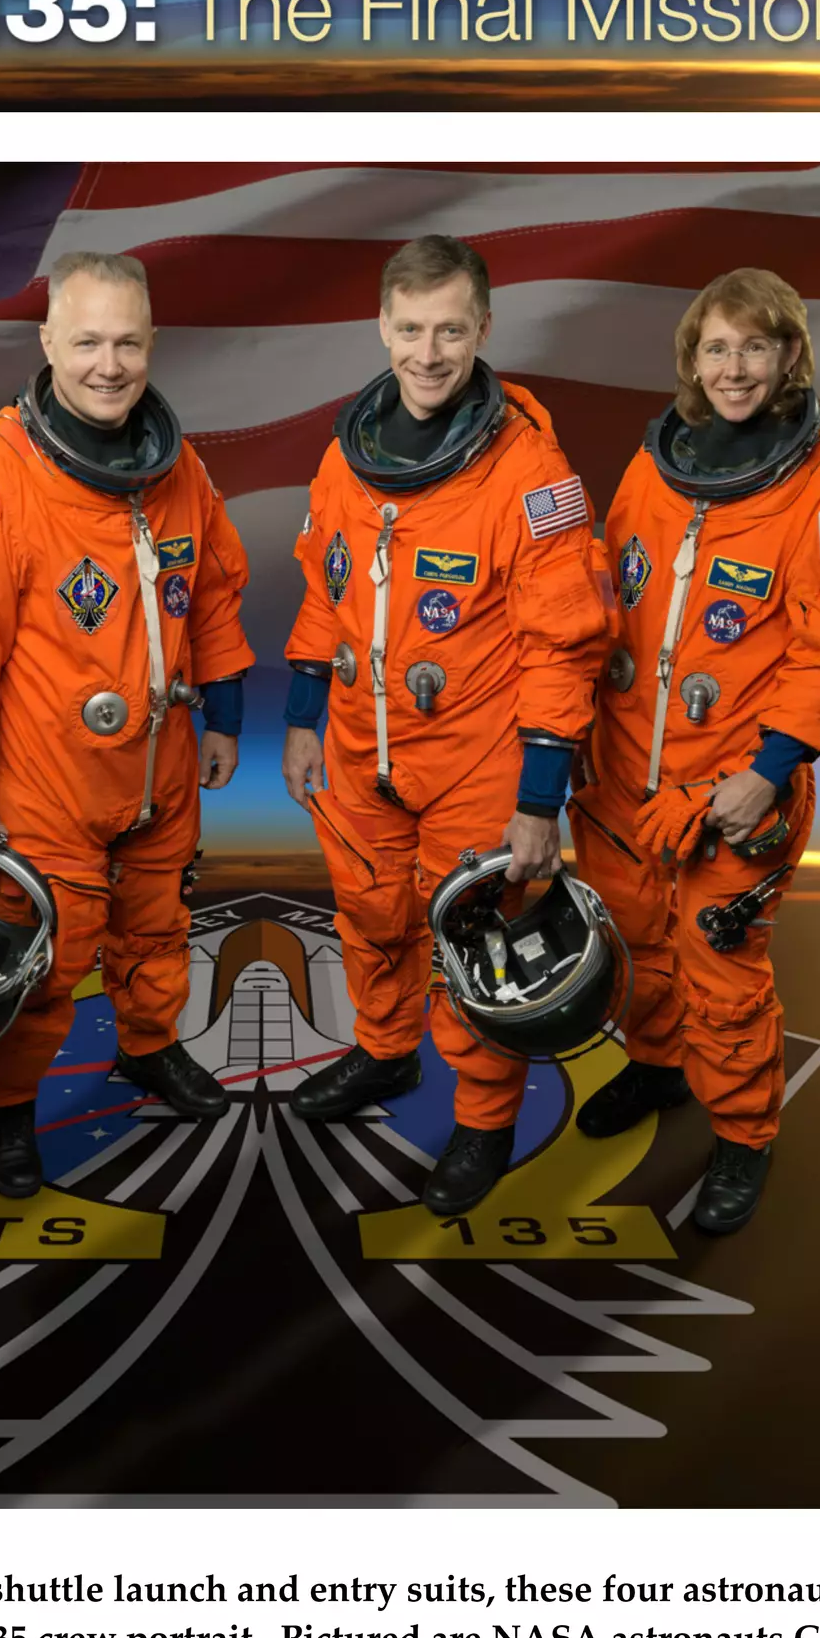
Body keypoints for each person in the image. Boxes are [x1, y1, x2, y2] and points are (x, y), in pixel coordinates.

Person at [279, 234, 617, 1214]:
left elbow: (563, 646)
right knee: (370, 917)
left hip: (474, 756)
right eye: (411, 329)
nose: (428, 353)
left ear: (482, 329)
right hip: (356, 746)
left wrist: (538, 799)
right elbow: (322, 590)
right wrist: (303, 715)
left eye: (450, 330)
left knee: (479, 948)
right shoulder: (351, 450)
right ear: (382, 326)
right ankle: (383, 1054)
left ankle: (480, 1123)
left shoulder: (530, 474)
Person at [0, 251, 255, 1200]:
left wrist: (221, 717)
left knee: (156, 928)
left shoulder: (175, 465)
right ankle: (12, 1113)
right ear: (48, 343)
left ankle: (149, 1047)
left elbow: (213, 592)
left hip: (160, 766)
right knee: (41, 963)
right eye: (89, 342)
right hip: (43, 783)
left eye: (129, 343)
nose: (110, 365)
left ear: (153, 344)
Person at [572, 266, 820, 1234]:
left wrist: (769, 770)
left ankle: (744, 1136)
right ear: (691, 359)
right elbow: (610, 604)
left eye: (754, 346)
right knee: (633, 947)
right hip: (625, 770)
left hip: (733, 783)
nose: (733, 367)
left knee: (720, 972)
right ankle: (655, 1066)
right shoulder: (655, 464)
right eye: (716, 347)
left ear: (789, 355)